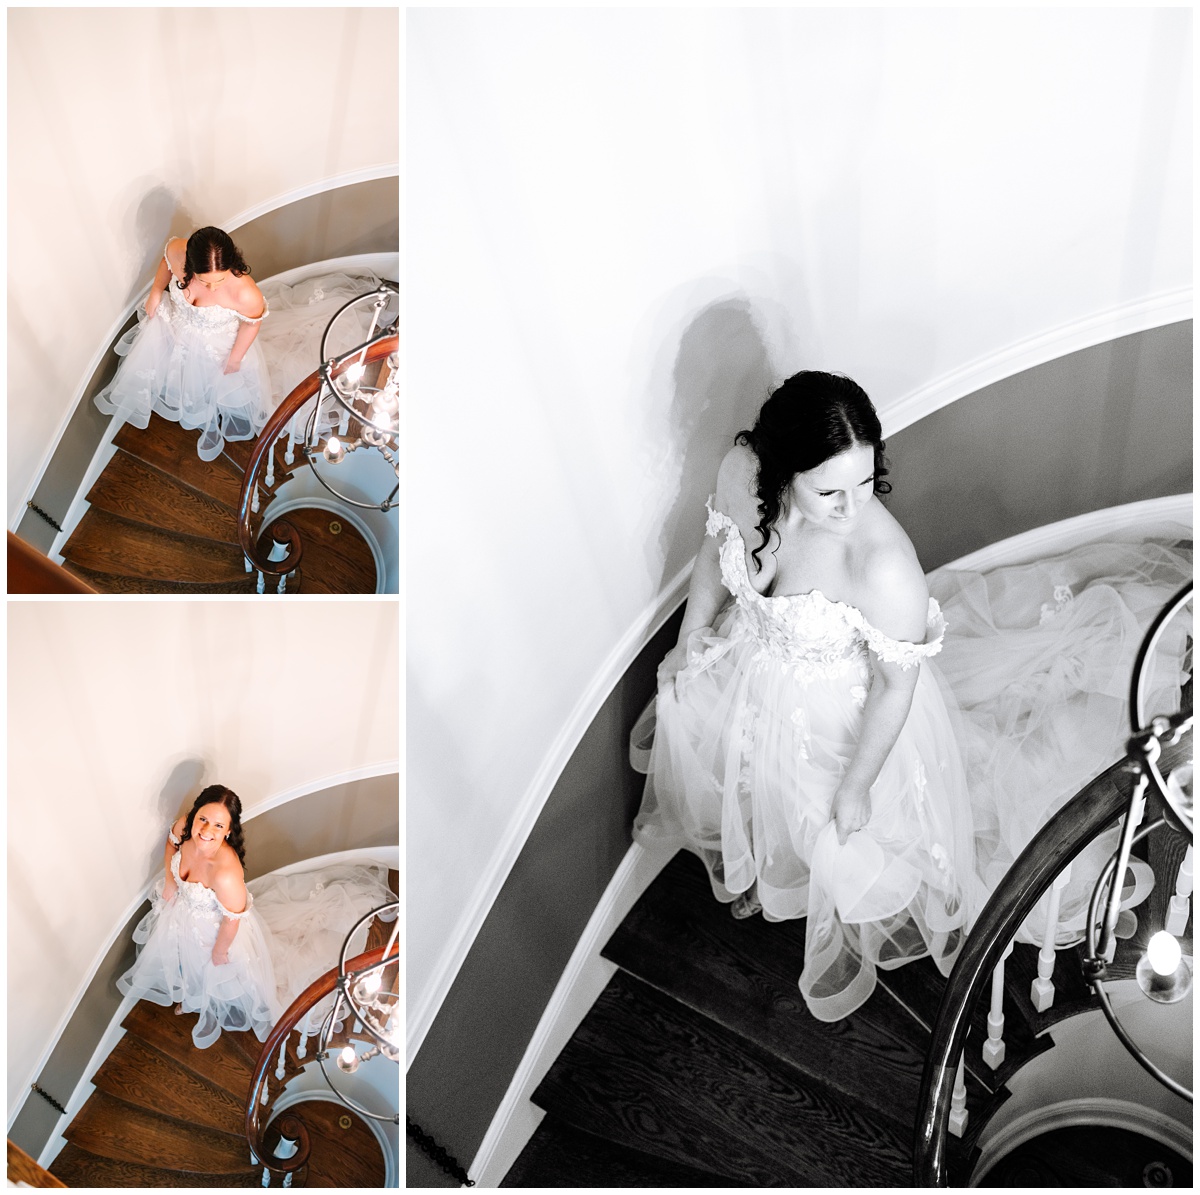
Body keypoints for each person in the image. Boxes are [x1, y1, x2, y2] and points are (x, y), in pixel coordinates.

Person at [633, 372, 979, 1022]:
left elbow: (894, 686)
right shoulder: (741, 470)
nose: (853, 508)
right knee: (750, 783)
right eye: (830, 491)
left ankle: (810, 885)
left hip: (837, 713)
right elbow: (718, 551)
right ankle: (765, 873)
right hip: (748, 668)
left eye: (866, 482)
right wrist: (693, 633)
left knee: (824, 819)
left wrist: (857, 784)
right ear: (783, 471)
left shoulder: (883, 566)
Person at [118, 784, 395, 1049]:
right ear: (194, 815)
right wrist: (169, 879)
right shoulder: (185, 826)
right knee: (185, 962)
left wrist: (219, 951)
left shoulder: (225, 874)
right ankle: (193, 997)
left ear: (227, 831)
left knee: (220, 971)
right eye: (202, 819)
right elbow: (171, 843)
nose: (205, 830)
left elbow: (232, 920)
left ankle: (209, 999)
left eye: (218, 826)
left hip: (215, 933)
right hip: (182, 916)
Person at [95, 227, 272, 461]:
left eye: (219, 280)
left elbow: (251, 324)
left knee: (213, 383)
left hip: (214, 345)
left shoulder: (247, 294)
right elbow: (166, 262)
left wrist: (235, 358)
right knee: (173, 373)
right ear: (191, 265)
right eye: (203, 280)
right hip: (174, 329)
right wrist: (156, 292)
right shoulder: (178, 250)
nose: (212, 288)